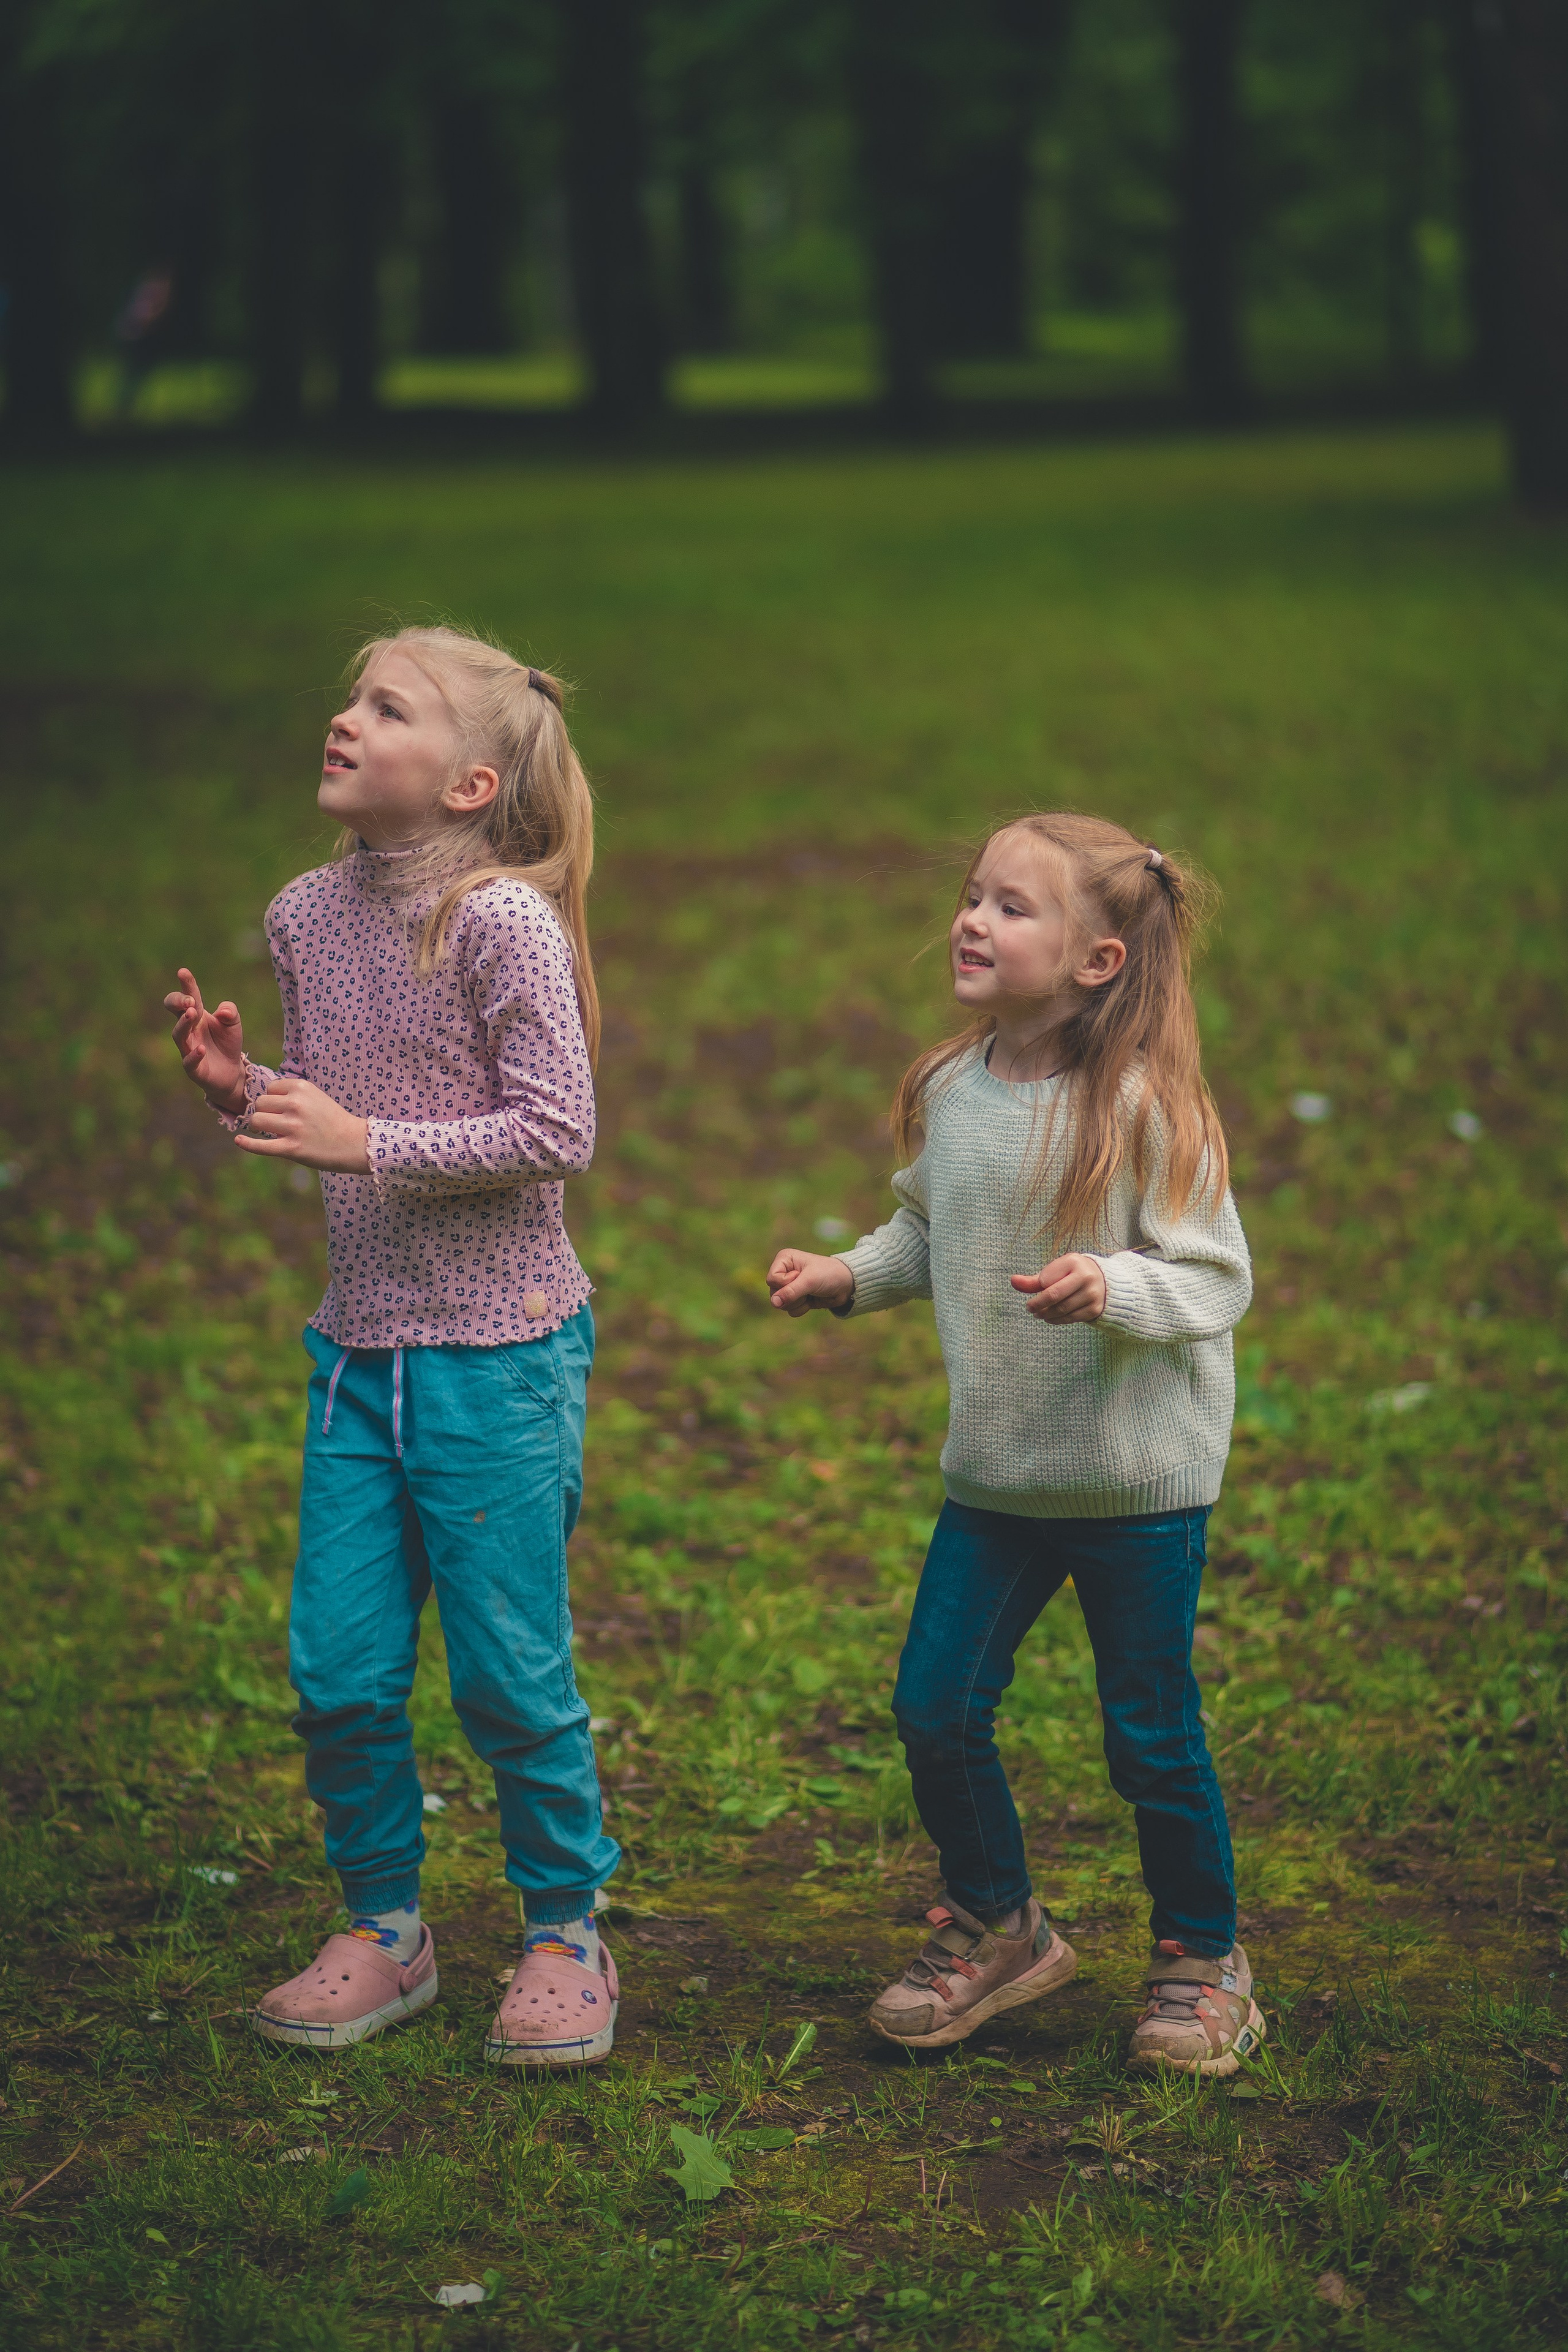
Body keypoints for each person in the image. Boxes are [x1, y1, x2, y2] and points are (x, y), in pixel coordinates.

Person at [164, 624, 620, 2067]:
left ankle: (563, 1928)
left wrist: (361, 1140)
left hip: (497, 1357)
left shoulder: (499, 923)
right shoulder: (305, 914)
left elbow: (558, 1131)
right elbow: (349, 1107)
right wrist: (257, 1089)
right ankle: (385, 1928)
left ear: (473, 782)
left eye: (387, 707)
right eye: (350, 698)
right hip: (359, 1353)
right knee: (338, 1671)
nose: (344, 720)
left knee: (507, 1674)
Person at [766, 812, 1262, 2076]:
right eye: (972, 897)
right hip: (996, 1480)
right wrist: (844, 1272)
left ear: (1096, 960)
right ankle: (1000, 1926)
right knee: (932, 1707)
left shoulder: (1148, 1105)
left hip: (1134, 1487)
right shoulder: (951, 1089)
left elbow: (1210, 1280)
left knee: (1146, 1734)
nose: (971, 920)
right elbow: (932, 1236)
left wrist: (1112, 1285)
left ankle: (1201, 1960)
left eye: (1010, 906)